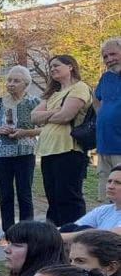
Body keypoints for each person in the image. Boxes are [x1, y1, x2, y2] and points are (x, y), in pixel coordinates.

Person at [32, 55, 92, 228]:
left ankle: (73, 236)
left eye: (56, 65)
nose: (52, 69)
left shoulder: (79, 88)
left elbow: (66, 115)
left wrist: (48, 115)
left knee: (69, 198)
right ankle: (55, 237)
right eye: (50, 67)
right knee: (53, 199)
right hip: (48, 151)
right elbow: (33, 117)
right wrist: (54, 112)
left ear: (71, 66)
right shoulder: (52, 93)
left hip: (69, 150)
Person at [0, 66, 40, 236]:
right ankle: (8, 232)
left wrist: (24, 133)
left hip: (24, 154)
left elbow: (44, 128)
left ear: (26, 84)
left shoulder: (33, 102)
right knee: (5, 195)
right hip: (1, 155)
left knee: (24, 194)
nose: (11, 84)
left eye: (16, 81)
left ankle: (27, 232)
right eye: (9, 80)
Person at [66, 169, 121, 238]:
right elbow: (72, 229)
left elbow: (110, 238)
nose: (110, 186)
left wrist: (54, 236)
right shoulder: (103, 210)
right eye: (109, 181)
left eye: (118, 183)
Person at [97, 37, 121, 191]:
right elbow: (95, 97)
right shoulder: (105, 78)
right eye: (105, 56)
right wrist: (102, 115)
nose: (109, 59)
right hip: (104, 145)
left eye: (113, 54)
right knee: (108, 199)